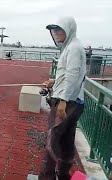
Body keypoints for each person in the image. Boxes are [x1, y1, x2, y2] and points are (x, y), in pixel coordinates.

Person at [39, 17, 86, 180]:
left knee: (52, 140)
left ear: (69, 29)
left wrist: (63, 101)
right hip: (75, 102)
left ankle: (47, 177)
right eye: (54, 30)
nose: (56, 33)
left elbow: (73, 75)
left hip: (68, 103)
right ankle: (64, 174)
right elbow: (70, 74)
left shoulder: (73, 48)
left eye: (60, 29)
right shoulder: (71, 47)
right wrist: (54, 82)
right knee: (67, 141)